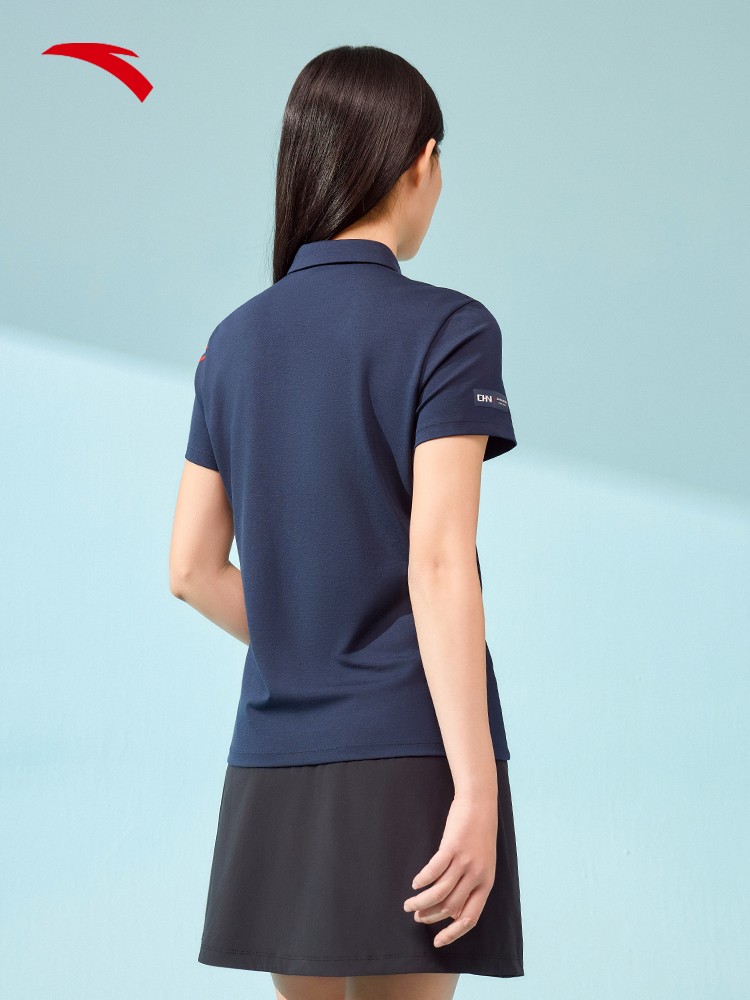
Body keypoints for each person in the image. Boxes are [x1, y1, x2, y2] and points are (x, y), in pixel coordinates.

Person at [169, 44, 523, 1000]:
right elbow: (439, 566)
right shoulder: (451, 330)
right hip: (411, 749)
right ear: (421, 160)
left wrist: (305, 635)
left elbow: (191, 570)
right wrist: (477, 787)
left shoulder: (230, 345)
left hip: (277, 754)